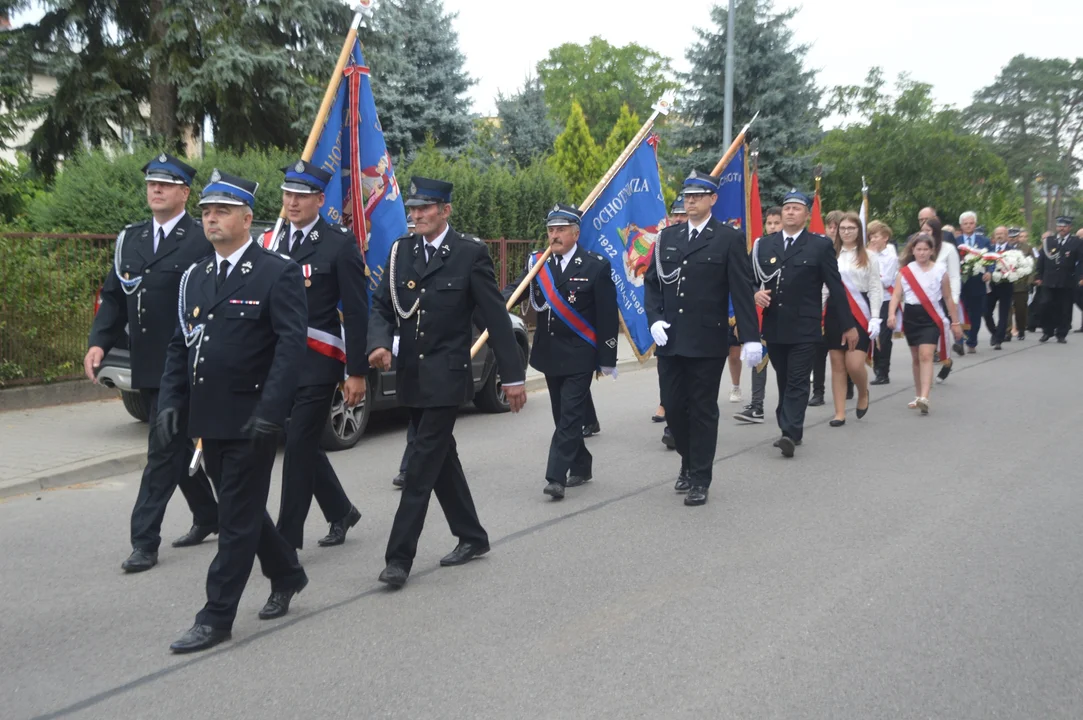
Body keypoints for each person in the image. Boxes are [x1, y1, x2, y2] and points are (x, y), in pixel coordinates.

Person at [159, 170, 309, 653]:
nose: (211, 219)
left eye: (222, 211)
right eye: (205, 211)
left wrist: (272, 409)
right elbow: (180, 347)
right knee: (239, 509)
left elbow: (290, 347)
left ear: (247, 218)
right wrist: (170, 404)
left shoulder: (275, 271)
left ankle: (215, 615)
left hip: (252, 419)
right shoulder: (196, 277)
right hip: (209, 417)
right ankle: (287, 572)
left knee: (235, 520)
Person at [368, 177, 527, 588]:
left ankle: (398, 558)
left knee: (420, 465)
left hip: (446, 379)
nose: (416, 215)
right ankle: (472, 536)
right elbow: (383, 307)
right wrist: (379, 343)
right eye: (413, 209)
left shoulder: (469, 254)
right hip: (411, 377)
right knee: (442, 460)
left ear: (445, 211)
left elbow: (494, 318)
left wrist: (512, 377)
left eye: (425, 208)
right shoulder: (401, 252)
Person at [85, 153, 219, 573]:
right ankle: (210, 514)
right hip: (147, 365)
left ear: (184, 192)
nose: (156, 190)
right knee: (175, 446)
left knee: (161, 448)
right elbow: (113, 297)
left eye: (166, 184)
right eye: (151, 183)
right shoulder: (132, 239)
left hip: (185, 364)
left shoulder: (201, 239)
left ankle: (144, 540)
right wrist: (99, 343)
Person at [262, 160, 367, 550]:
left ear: (320, 200)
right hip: (278, 363)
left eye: (301, 196)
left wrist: (356, 371)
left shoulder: (339, 244)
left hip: (318, 362)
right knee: (300, 440)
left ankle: (285, 541)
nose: (292, 202)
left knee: (298, 448)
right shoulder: (271, 242)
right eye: (288, 194)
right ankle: (340, 510)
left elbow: (356, 311)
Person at [645, 170, 760, 505]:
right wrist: (654, 320)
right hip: (671, 340)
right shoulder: (668, 237)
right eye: (687, 196)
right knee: (675, 408)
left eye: (697, 196)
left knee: (702, 409)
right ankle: (687, 459)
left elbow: (741, 289)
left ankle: (700, 478)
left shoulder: (727, 238)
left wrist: (751, 336)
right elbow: (653, 283)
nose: (690, 201)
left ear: (713, 199)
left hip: (707, 341)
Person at [504, 204, 618, 500]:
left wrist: (607, 358)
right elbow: (516, 289)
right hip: (549, 352)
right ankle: (582, 463)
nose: (554, 235)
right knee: (561, 415)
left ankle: (556, 476)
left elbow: (606, 316)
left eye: (560, 230)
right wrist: (495, 305)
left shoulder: (595, 265)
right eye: (551, 230)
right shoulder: (538, 264)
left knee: (569, 416)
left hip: (581, 352)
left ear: (575, 233)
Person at [753, 190, 854, 458]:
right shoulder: (764, 245)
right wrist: (755, 292)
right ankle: (789, 427)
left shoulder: (819, 246)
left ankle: (789, 431)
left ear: (807, 215)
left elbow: (835, 287)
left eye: (797, 208)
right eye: (787, 208)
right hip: (774, 326)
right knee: (785, 379)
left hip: (805, 327)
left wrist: (848, 324)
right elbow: (749, 278)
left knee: (798, 380)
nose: (790, 212)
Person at [887, 234, 963, 414]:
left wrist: (955, 322)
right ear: (912, 250)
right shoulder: (905, 272)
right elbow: (897, 295)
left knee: (926, 355)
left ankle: (925, 397)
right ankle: (918, 394)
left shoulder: (940, 272)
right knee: (916, 358)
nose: (922, 253)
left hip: (931, 318)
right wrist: (891, 314)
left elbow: (947, 297)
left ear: (932, 251)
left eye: (925, 249)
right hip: (912, 317)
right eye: (918, 249)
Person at [824, 212, 881, 426]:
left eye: (851, 228)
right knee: (837, 364)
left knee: (854, 364)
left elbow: (876, 287)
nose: (847, 232)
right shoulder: (830, 254)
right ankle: (839, 412)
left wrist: (875, 317)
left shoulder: (869, 255)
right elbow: (824, 287)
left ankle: (862, 392)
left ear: (859, 231)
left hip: (860, 310)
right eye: (843, 228)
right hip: (834, 310)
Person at [734, 205, 782, 424]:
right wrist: (755, 294)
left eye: (776, 223)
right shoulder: (759, 247)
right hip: (764, 312)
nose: (772, 227)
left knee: (786, 367)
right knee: (757, 359)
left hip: (789, 316)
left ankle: (787, 408)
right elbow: (747, 278)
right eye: (769, 223)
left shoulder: (796, 247)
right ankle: (757, 406)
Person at [654, 195, 689, 427]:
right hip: (667, 325)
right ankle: (667, 409)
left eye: (682, 214)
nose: (677, 218)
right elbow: (652, 282)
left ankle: (677, 425)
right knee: (668, 377)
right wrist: (654, 319)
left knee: (690, 382)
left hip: (696, 326)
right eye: (674, 214)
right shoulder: (662, 241)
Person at [809, 209, 845, 406]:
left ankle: (847, 382)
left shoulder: (846, 252)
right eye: (829, 226)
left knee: (841, 351)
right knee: (818, 351)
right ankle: (818, 392)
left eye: (835, 226)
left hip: (838, 307)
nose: (832, 230)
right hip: (819, 304)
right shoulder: (819, 247)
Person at [919, 215, 961, 379]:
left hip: (942, 299)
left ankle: (946, 361)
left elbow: (955, 276)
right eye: (922, 230)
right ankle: (925, 370)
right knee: (924, 340)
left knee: (939, 335)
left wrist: (954, 300)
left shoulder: (948, 249)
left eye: (928, 230)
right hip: (921, 299)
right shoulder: (918, 247)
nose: (924, 234)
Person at [1035, 216, 1083, 343]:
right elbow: (1041, 260)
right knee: (1045, 304)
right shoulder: (1049, 241)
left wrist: (1081, 277)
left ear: (1070, 227)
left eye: (1064, 226)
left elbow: (1081, 261)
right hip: (1049, 279)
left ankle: (1061, 333)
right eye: (1059, 226)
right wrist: (1038, 276)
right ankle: (1047, 331)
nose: (1061, 228)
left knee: (1065, 308)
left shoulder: (1076, 242)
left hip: (1067, 280)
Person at [954, 211, 991, 352]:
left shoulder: (984, 241)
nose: (968, 226)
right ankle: (960, 339)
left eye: (971, 223)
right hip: (960, 283)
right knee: (962, 312)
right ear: (961, 226)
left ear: (975, 224)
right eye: (965, 224)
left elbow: (990, 259)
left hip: (978, 282)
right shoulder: (956, 242)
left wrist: (989, 271)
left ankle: (972, 341)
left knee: (976, 313)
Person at [867, 220, 898, 385]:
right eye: (871, 236)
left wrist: (871, 277)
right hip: (870, 299)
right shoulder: (867, 253)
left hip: (885, 300)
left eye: (876, 236)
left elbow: (886, 280)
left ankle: (883, 371)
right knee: (872, 335)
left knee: (884, 336)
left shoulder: (890, 257)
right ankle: (876, 365)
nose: (873, 240)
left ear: (885, 238)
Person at [986, 226, 1015, 350]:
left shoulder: (1013, 251)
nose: (999, 236)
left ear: (1007, 236)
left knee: (1003, 314)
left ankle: (998, 339)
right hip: (991, 285)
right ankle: (995, 332)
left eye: (1002, 234)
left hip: (1006, 285)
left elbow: (1016, 267)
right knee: (986, 311)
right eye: (997, 234)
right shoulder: (989, 250)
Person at [1007, 228, 1031, 340]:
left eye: (1014, 237)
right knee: (1006, 308)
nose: (1012, 239)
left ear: (1018, 237)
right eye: (1010, 237)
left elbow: (1033, 265)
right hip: (1005, 282)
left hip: (1021, 284)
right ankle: (1007, 331)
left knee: (1021, 309)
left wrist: (1030, 281)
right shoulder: (1004, 248)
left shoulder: (1027, 248)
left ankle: (1021, 329)